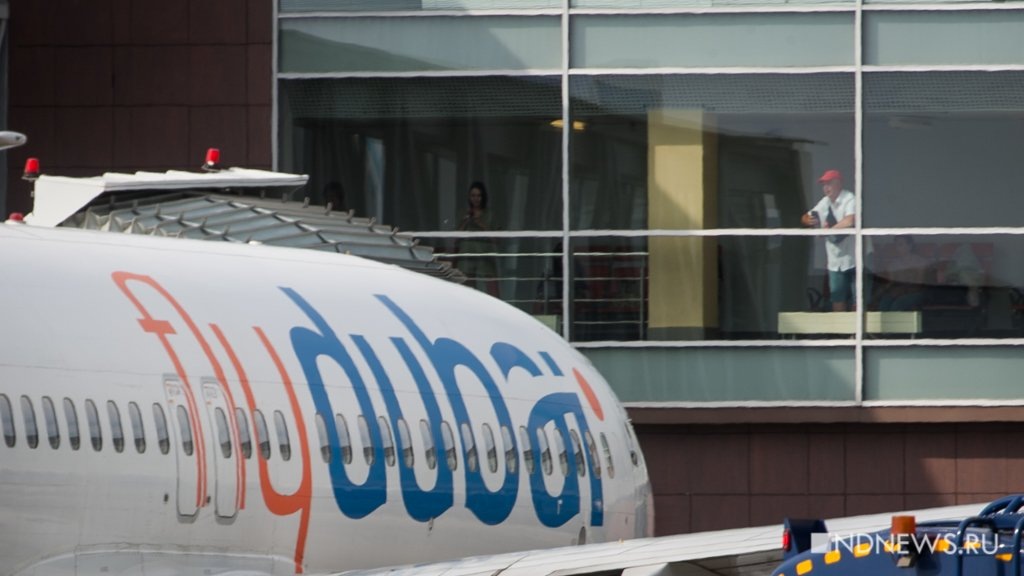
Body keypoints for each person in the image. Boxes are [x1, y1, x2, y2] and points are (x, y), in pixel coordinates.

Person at [801, 169, 856, 311]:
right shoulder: (824, 202)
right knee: (837, 297)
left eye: (829, 183)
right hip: (835, 261)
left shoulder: (849, 198)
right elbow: (805, 217)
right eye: (824, 184)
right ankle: (840, 326)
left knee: (858, 299)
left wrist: (827, 231)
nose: (826, 187)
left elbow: (850, 220)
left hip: (855, 258)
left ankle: (857, 326)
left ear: (839, 184)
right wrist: (808, 220)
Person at [456, 181, 499, 296]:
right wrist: (466, 220)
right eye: (473, 195)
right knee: (469, 293)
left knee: (493, 292)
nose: (476, 199)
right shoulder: (463, 214)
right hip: (467, 257)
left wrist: (481, 224)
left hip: (485, 257)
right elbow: (455, 239)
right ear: (469, 197)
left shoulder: (490, 215)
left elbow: (497, 240)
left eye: (479, 195)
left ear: (483, 197)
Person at [874, 235, 928, 311]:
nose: (897, 248)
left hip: (916, 293)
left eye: (900, 244)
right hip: (898, 292)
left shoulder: (920, 262)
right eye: (896, 245)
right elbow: (892, 282)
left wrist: (904, 290)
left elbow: (920, 283)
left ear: (910, 246)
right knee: (884, 302)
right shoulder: (894, 264)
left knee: (898, 304)